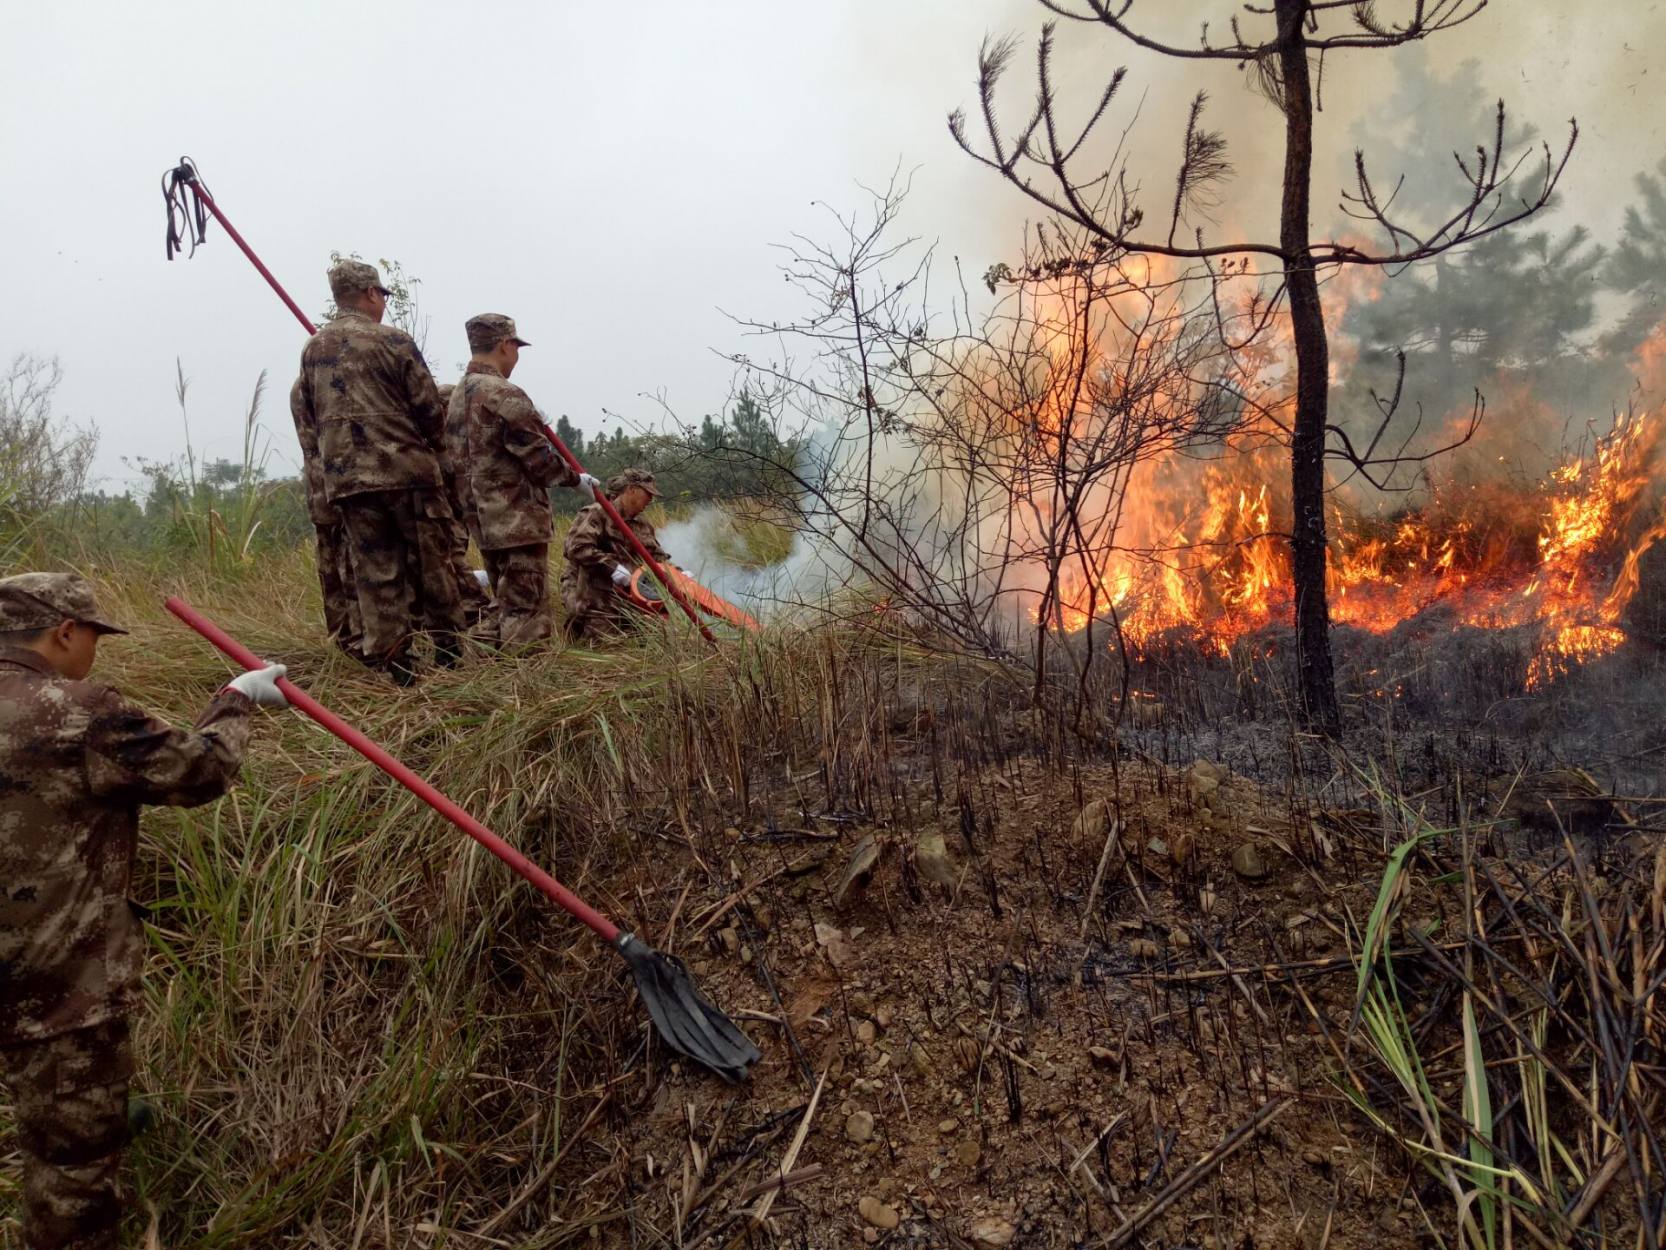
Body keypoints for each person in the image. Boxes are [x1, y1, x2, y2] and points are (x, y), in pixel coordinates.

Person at [0, 572, 286, 1250]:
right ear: (64, 632)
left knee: (52, 1131)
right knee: (71, 1169)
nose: (93, 652)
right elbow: (200, 771)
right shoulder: (75, 710)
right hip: (55, 990)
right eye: (91, 636)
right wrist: (237, 699)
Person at [297, 259, 464, 683]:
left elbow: (311, 419)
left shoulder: (314, 349)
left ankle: (399, 669)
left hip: (349, 485)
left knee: (376, 577)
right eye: (382, 296)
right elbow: (429, 409)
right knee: (432, 566)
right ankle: (450, 654)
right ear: (371, 294)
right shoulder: (394, 342)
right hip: (406, 476)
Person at [453, 314, 599, 648]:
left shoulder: (457, 395)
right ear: (505, 345)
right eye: (516, 347)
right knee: (526, 609)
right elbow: (538, 460)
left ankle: (482, 669)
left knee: (504, 603)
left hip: (482, 519)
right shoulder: (503, 393)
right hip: (515, 519)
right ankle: (526, 683)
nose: (516, 357)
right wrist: (575, 479)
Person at [287, 376, 362, 658]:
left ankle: (343, 641)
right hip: (342, 490)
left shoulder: (304, 385)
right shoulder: (329, 383)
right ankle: (356, 641)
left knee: (331, 569)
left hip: (321, 491)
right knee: (348, 568)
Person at [560, 467, 672, 641]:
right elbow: (576, 548)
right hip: (593, 598)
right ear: (631, 490)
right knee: (605, 645)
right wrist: (612, 568)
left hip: (629, 598)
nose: (650, 500)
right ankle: (580, 628)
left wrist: (676, 574)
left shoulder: (642, 524)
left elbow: (655, 557)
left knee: (658, 637)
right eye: (647, 494)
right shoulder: (597, 513)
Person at [434, 381, 492, 631]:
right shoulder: (437, 449)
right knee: (464, 593)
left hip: (457, 522)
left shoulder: (452, 444)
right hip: (443, 525)